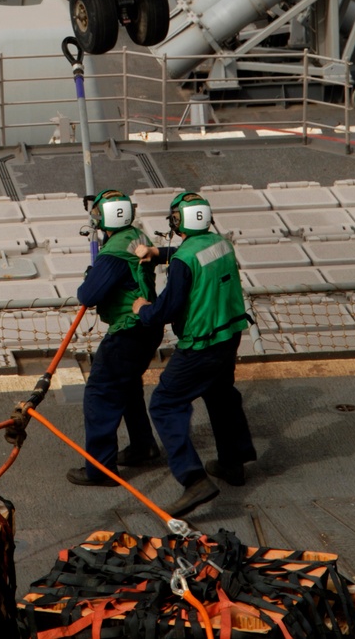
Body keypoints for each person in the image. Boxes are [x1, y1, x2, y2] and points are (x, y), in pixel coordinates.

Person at [131, 190, 256, 517]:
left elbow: (166, 311)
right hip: (229, 335)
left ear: (177, 221)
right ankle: (233, 462)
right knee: (221, 393)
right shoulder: (221, 243)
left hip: (200, 345)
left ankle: (194, 479)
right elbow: (194, 253)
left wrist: (142, 309)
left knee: (164, 404)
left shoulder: (184, 261)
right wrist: (159, 253)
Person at [66, 189, 164, 487]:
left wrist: (92, 275)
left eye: (97, 214)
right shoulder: (137, 235)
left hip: (128, 330)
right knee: (129, 386)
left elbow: (89, 295)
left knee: (100, 392)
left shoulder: (114, 252)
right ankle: (142, 446)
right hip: (148, 327)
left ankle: (100, 469)